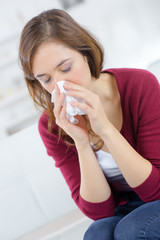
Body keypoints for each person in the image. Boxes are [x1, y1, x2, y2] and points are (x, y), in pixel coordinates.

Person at [19, 9, 160, 240]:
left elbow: (155, 190)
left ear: (85, 53)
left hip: (155, 193)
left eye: (65, 68)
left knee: (132, 229)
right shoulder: (52, 126)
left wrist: (104, 129)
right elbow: (100, 213)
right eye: (46, 79)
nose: (59, 84)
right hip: (127, 206)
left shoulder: (140, 85)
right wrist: (82, 143)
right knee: (97, 233)